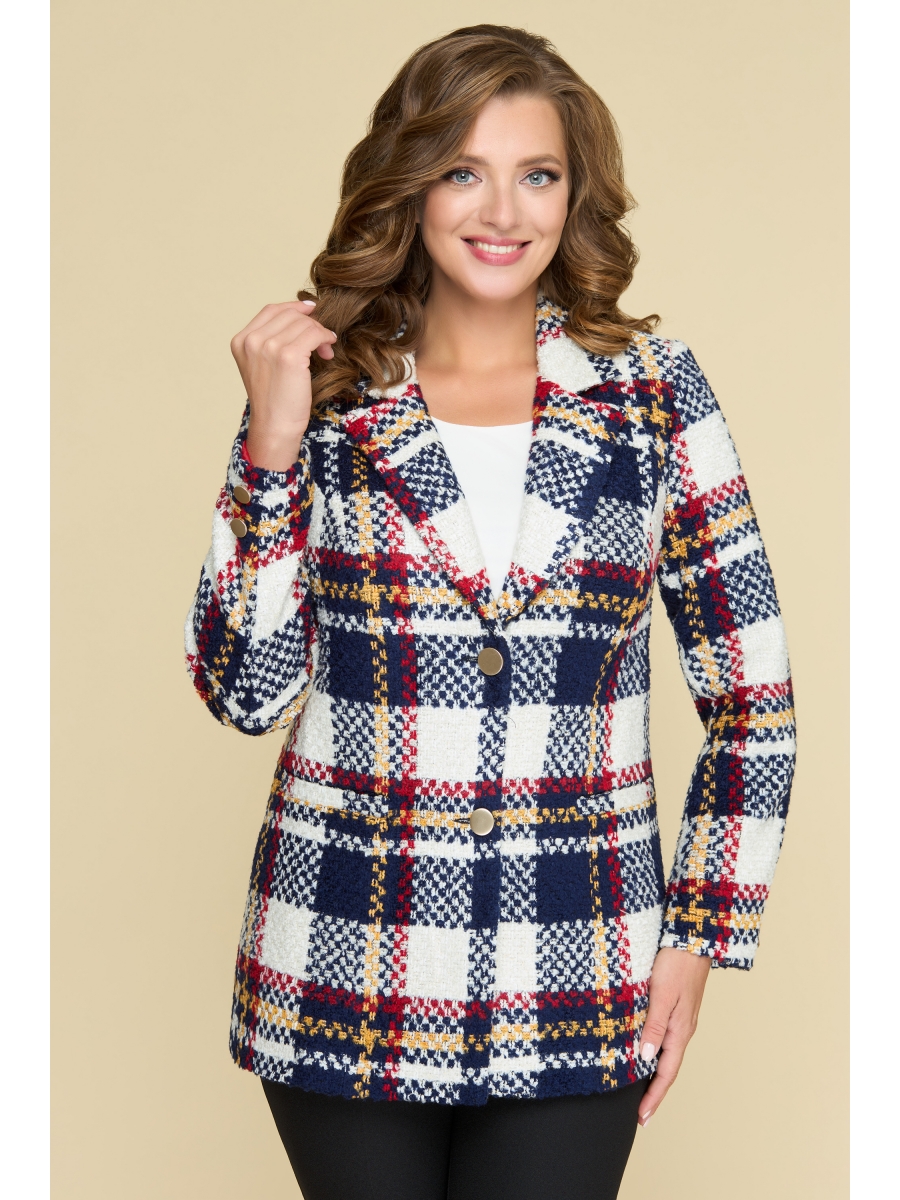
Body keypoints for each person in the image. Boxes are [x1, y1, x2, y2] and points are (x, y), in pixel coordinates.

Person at [184, 24, 795, 1200]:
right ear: (409, 185)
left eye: (538, 173)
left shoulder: (654, 396)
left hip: (581, 961)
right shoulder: (329, 395)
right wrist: (269, 445)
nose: (502, 210)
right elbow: (243, 692)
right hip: (342, 956)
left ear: (575, 196)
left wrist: (699, 938)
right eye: (464, 170)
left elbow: (753, 701)